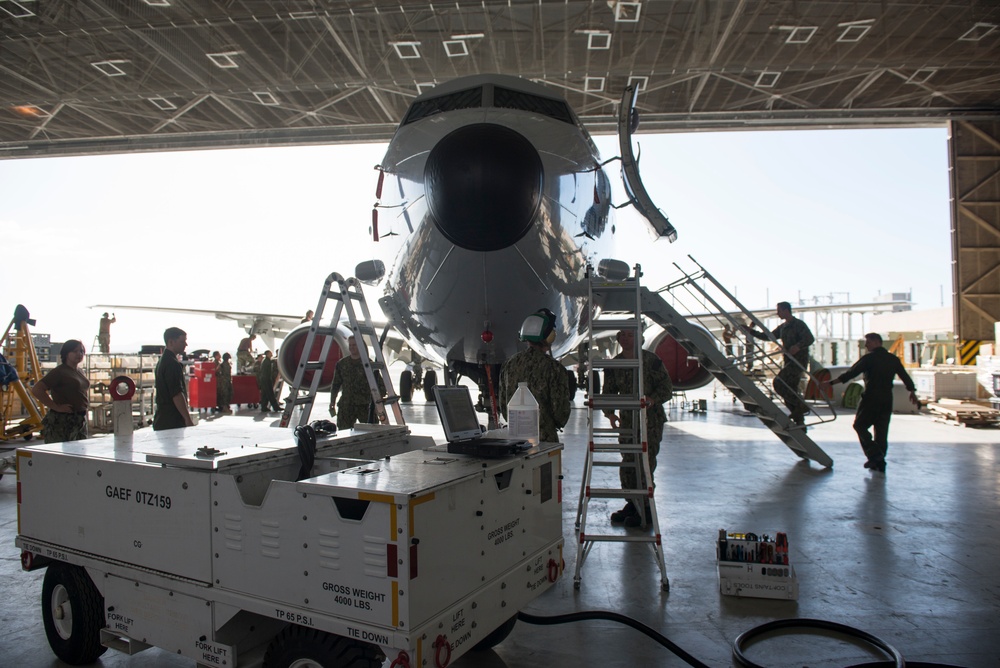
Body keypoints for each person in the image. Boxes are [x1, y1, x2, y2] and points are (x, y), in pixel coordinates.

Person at [602, 328, 673, 527]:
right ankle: (633, 504)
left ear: (639, 338)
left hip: (650, 420)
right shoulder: (615, 364)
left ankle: (647, 507)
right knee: (628, 463)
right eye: (622, 335)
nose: (625, 338)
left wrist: (653, 399)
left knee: (646, 463)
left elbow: (667, 389)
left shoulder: (651, 361)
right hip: (627, 420)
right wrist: (610, 413)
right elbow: (608, 391)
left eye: (630, 334)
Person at [828, 333, 918, 473]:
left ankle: (874, 454)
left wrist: (831, 383)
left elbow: (852, 373)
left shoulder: (869, 359)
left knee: (860, 425)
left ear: (876, 342)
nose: (866, 345)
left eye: (868, 342)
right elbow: (904, 376)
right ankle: (880, 463)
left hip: (871, 399)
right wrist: (912, 392)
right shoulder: (893, 359)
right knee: (881, 431)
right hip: (887, 399)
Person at [498, 309, 571, 444]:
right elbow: (560, 410)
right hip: (545, 440)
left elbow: (503, 406)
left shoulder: (508, 364)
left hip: (516, 439)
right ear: (549, 337)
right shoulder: (554, 368)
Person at [742, 301, 814, 425]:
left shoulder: (798, 324)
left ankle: (801, 406)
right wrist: (750, 331)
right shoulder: (783, 327)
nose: (777, 313)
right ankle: (799, 420)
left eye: (779, 310)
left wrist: (798, 346)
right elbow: (768, 336)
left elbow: (809, 338)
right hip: (788, 361)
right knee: (790, 389)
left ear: (786, 310)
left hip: (798, 361)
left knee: (779, 383)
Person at [31, 339, 90, 443]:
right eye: (75, 351)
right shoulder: (59, 372)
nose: (79, 354)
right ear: (66, 353)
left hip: (79, 420)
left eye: (81, 351)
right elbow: (37, 389)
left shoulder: (79, 371)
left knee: (78, 453)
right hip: (63, 420)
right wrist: (56, 407)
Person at [328, 336, 386, 429]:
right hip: (347, 405)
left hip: (365, 405)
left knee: (370, 432)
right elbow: (336, 384)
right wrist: (332, 401)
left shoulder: (368, 364)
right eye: (350, 345)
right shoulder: (342, 364)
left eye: (354, 345)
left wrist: (378, 404)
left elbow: (380, 385)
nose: (351, 347)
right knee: (344, 433)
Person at [153, 327, 194, 431]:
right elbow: (176, 394)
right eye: (182, 341)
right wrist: (187, 419)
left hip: (162, 418)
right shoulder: (172, 364)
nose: (186, 344)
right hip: (172, 421)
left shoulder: (162, 361)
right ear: (171, 342)